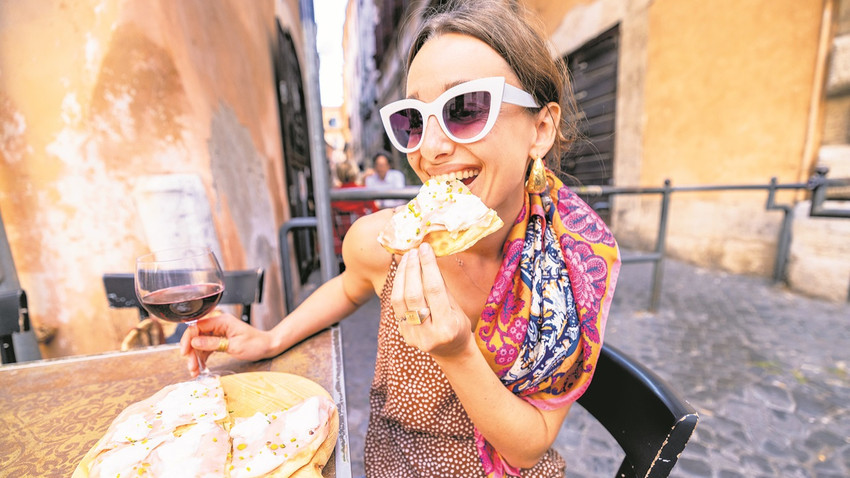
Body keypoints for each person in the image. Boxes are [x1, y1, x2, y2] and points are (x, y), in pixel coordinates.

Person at [181, 1, 620, 476]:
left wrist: (458, 353)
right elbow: (350, 286)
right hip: (398, 464)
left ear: (540, 129)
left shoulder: (573, 262)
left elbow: (528, 448)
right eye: (413, 119)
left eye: (466, 107)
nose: (430, 149)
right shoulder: (385, 242)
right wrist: (271, 338)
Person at [331, 160, 378, 258]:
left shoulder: (333, 196)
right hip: (364, 242)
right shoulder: (363, 192)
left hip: (341, 244)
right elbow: (376, 215)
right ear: (355, 173)